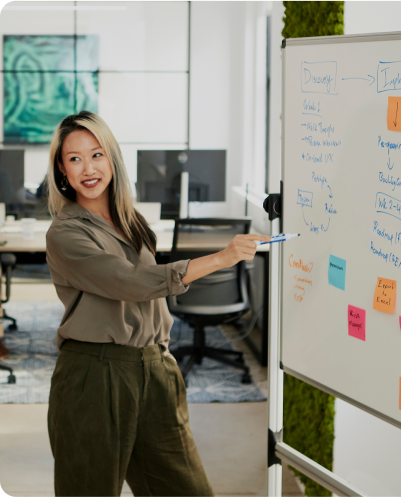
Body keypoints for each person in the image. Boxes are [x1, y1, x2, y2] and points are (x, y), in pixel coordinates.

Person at [45, 110, 269, 497]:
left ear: (112, 158)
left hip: (155, 367)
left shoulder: (131, 220)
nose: (88, 168)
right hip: (95, 375)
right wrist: (220, 258)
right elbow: (128, 282)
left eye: (96, 154)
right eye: (75, 159)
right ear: (62, 171)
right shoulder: (65, 232)